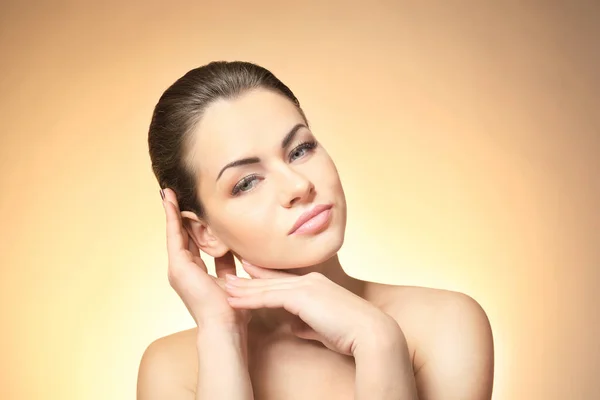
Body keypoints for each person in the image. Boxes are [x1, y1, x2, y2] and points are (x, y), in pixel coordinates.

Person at [137, 61, 494, 400]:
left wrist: (377, 340)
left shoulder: (444, 324)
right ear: (204, 233)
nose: (298, 185)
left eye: (300, 150)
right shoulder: (172, 368)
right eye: (247, 182)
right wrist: (221, 334)